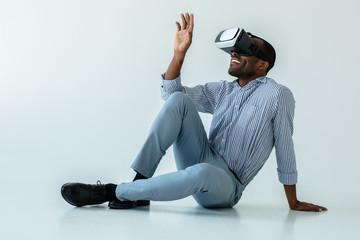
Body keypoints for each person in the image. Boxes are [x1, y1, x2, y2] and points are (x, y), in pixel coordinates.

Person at [61, 13, 327, 212]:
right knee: (179, 100)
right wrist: (179, 54)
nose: (234, 52)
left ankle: (111, 191)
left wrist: (293, 202)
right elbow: (170, 95)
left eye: (245, 49)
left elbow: (284, 145)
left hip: (227, 185)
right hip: (203, 156)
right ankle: (139, 185)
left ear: (262, 65)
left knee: (202, 172)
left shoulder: (278, 94)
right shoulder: (223, 90)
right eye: (234, 49)